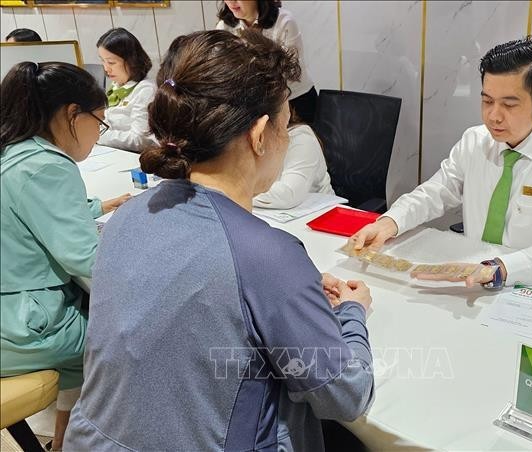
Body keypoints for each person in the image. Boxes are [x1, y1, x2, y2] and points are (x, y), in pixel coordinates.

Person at [64, 30, 374, 451]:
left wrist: (282, 291)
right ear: (260, 133)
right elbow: (346, 394)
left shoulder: (131, 215)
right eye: (286, 125)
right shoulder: (268, 256)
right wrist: (353, 313)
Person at [351, 36, 532, 289]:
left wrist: (498, 269)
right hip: (471, 280)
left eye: (509, 104)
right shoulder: (475, 141)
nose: (493, 116)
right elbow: (435, 192)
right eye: (487, 101)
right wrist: (390, 222)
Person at [0, 61, 130, 450]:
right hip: (17, 324)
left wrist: (95, 209)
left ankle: (65, 439)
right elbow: (86, 261)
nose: (97, 133)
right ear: (73, 114)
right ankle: (84, 441)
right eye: (99, 122)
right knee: (118, 336)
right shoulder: (46, 166)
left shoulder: (14, 149)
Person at [216, 0, 318, 123]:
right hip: (256, 107)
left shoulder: (284, 21)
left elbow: (290, 71)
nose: (231, 2)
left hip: (296, 101)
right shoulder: (223, 28)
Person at [253, 106, 334, 209]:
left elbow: (288, 195)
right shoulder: (247, 141)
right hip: (274, 215)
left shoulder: (302, 138)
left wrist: (237, 190)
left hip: (322, 215)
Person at [96, 27, 156, 153]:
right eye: (103, 61)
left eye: (111, 62)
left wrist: (98, 136)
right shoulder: (116, 86)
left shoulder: (146, 90)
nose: (106, 69)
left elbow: (140, 140)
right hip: (113, 152)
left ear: (131, 61)